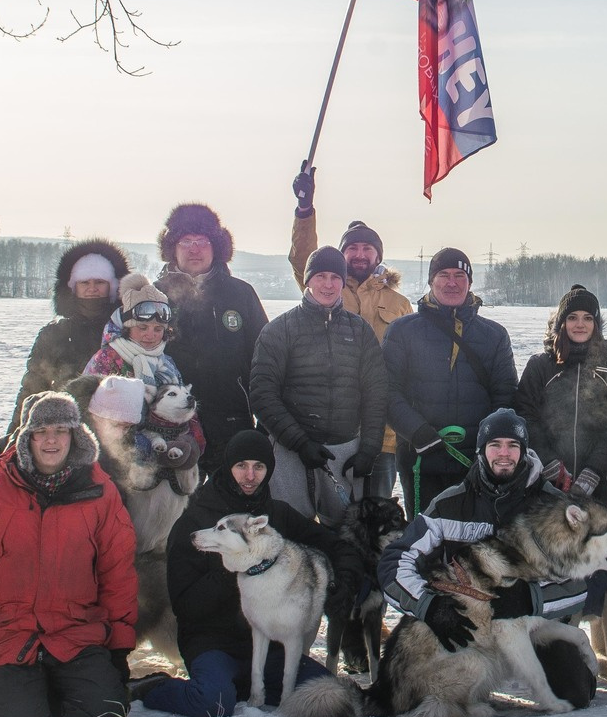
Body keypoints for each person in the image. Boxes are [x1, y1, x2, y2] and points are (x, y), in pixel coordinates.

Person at [0, 393, 135, 717]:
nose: (52, 439)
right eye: (41, 430)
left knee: (106, 714)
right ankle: (18, 690)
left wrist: (118, 649)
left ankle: (57, 686)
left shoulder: (101, 493)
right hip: (9, 633)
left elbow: (117, 574)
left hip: (75, 632)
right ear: (27, 436)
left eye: (61, 429)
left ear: (76, 435)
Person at [379, 407, 600, 708]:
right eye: (495, 445)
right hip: (471, 631)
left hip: (530, 628)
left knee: (574, 694)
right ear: (482, 451)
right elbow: (395, 561)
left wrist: (530, 599)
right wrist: (427, 606)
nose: (504, 453)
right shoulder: (450, 504)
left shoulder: (552, 507)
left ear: (524, 451)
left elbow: (580, 580)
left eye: (513, 445)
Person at [138, 428, 355, 717]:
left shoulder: (276, 515)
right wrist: (234, 570)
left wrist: (346, 581)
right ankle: (155, 688)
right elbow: (184, 607)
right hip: (213, 644)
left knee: (327, 694)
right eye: (241, 466)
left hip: (269, 647)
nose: (250, 476)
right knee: (212, 703)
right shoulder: (196, 521)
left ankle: (241, 686)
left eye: (259, 467)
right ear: (228, 468)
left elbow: (336, 546)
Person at [247, 247, 390, 522]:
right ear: (308, 280)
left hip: (345, 448)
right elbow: (263, 394)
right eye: (320, 276)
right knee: (291, 529)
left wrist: (369, 449)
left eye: (335, 277)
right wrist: (299, 442)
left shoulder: (360, 331)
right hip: (291, 450)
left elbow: (376, 393)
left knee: (348, 534)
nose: (328, 284)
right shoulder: (279, 330)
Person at [381, 246, 518, 512]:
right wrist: (418, 433)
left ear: (470, 283)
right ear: (431, 281)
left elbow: (506, 396)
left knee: (476, 542)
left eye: (460, 275)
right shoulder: (402, 331)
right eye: (444, 275)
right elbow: (387, 392)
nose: (452, 282)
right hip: (420, 457)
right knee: (424, 541)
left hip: (477, 460)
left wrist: (486, 440)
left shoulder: (494, 335)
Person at [155, 202, 269, 452]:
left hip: (231, 420)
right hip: (168, 424)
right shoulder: (155, 296)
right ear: (172, 248)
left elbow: (265, 359)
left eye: (202, 240)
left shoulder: (241, 294)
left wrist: (267, 421)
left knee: (230, 490)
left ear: (216, 247)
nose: (194, 249)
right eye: (186, 241)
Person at [514, 285, 607, 503]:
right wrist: (549, 464)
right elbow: (526, 417)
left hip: (599, 485)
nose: (580, 324)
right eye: (572, 317)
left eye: (588, 318)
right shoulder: (540, 366)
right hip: (545, 484)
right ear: (562, 323)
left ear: (596, 325)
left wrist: (594, 472)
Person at [84, 274, 206, 482]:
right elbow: (90, 414)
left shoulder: (166, 363)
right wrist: (140, 445)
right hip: (116, 465)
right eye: (142, 328)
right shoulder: (107, 359)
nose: (150, 335)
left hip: (165, 463)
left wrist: (192, 442)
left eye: (158, 329)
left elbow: (184, 404)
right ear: (127, 328)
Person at [9, 239, 132, 436]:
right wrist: (13, 436)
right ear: (73, 287)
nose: (92, 288)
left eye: (100, 282)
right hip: (63, 430)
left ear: (113, 286)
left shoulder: (127, 330)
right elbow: (32, 387)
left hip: (118, 431)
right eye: (85, 282)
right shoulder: (54, 334)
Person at [288, 169, 412, 337]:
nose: (360, 255)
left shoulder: (400, 304)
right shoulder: (326, 289)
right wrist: (305, 210)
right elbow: (302, 257)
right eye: (352, 248)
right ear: (342, 256)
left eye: (367, 248)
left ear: (378, 257)